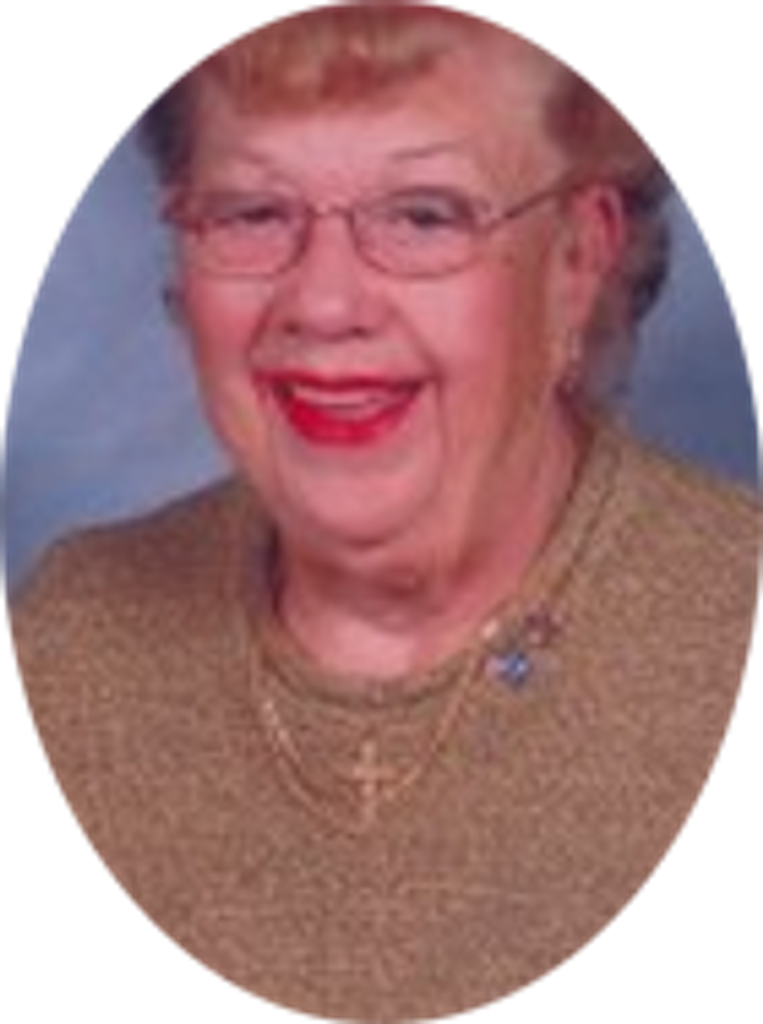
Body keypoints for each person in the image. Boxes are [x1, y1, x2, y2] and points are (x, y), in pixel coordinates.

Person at [7, 3, 761, 1020]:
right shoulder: (70, 641)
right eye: (252, 212)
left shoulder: (735, 618)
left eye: (423, 215)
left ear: (577, 260)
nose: (324, 304)